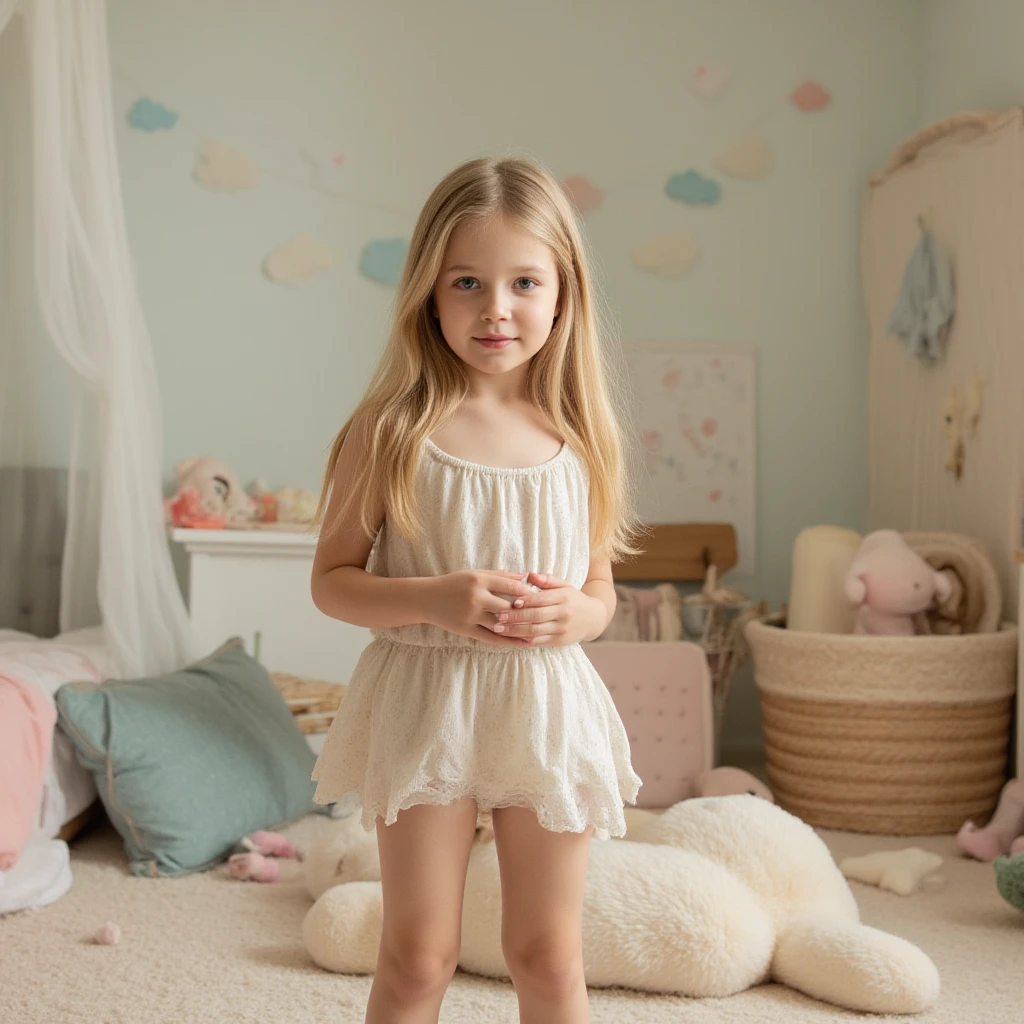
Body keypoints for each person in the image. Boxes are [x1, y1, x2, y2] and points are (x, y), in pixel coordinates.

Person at [310, 155, 643, 1024]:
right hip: (425, 702)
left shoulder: (582, 436)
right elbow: (333, 584)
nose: (496, 307)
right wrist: (434, 597)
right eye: (468, 281)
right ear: (429, 292)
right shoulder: (389, 431)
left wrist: (581, 614)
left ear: (563, 294)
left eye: (524, 282)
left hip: (542, 705)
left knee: (546, 953)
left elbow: (600, 589)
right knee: (418, 957)